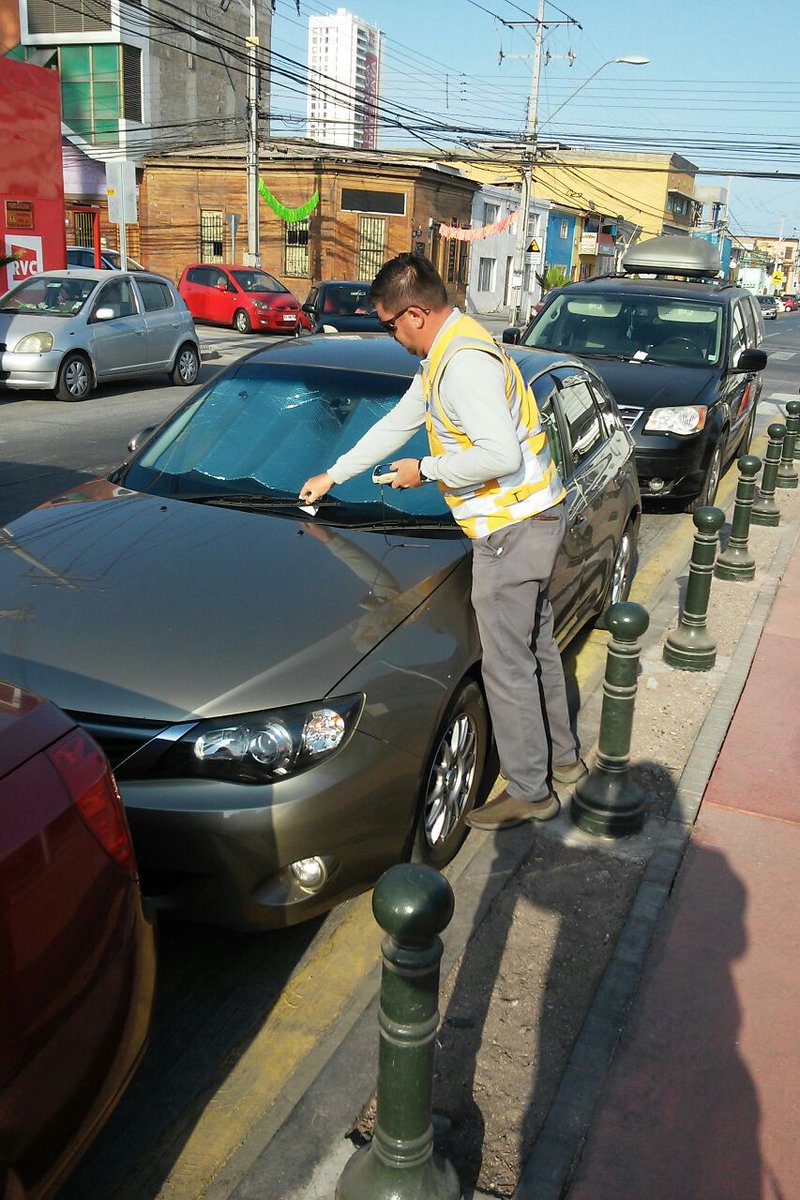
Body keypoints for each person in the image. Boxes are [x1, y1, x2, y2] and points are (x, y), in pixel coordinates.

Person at [299, 253, 585, 830]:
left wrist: (425, 471)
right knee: (536, 648)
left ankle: (532, 790)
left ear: (413, 314)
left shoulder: (462, 366)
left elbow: (498, 454)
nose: (390, 335)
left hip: (510, 529)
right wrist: (336, 473)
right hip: (532, 518)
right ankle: (564, 761)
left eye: (388, 324)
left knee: (507, 663)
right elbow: (400, 420)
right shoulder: (448, 351)